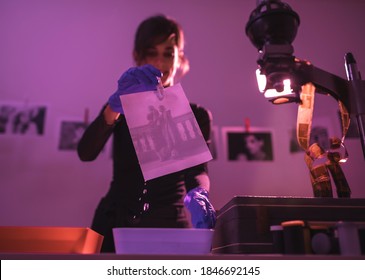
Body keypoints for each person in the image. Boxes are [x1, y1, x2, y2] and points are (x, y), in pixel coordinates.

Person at [77, 14, 216, 252]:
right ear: (137, 56)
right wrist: (113, 108)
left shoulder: (196, 114)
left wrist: (200, 193)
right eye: (152, 52)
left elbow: (196, 170)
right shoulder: (122, 105)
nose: (161, 62)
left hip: (171, 225)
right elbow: (86, 152)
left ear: (179, 58)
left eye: (169, 53)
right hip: (115, 223)